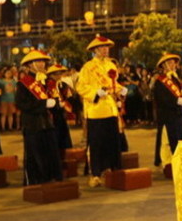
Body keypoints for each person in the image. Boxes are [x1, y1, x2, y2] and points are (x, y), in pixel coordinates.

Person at [75, 35, 125, 187]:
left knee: (112, 142)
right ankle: (96, 173)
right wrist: (95, 92)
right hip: (96, 110)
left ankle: (112, 170)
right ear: (95, 50)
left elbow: (113, 84)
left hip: (110, 109)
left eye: (107, 48)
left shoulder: (111, 65)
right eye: (102, 48)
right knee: (96, 144)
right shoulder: (88, 67)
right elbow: (81, 87)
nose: (105, 50)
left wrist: (121, 89)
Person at [17, 50, 63, 186]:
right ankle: (36, 181)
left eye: (43, 61)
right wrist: (43, 104)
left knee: (51, 152)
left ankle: (51, 178)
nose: (42, 64)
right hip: (33, 124)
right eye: (38, 61)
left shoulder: (46, 81)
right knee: (34, 155)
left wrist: (56, 104)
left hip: (47, 123)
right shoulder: (23, 83)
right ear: (30, 65)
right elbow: (22, 104)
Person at [152, 53, 182, 166]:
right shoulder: (160, 81)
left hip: (178, 114)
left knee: (179, 137)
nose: (173, 65)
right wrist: (175, 102)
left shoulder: (175, 79)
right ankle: (167, 162)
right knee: (167, 139)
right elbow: (161, 98)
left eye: (174, 62)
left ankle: (179, 159)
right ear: (164, 65)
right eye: (170, 63)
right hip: (167, 115)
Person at [46, 64, 74, 151]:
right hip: (53, 111)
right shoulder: (48, 84)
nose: (59, 76)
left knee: (63, 131)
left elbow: (68, 96)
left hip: (61, 110)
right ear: (51, 75)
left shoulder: (61, 83)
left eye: (60, 73)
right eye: (56, 74)